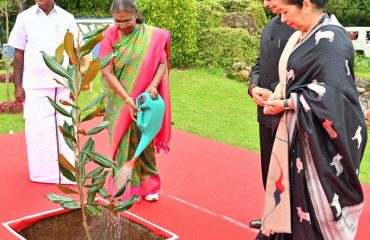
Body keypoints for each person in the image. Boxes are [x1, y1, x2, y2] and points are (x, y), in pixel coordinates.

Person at [257, 0, 367, 239]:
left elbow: (334, 94)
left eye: (285, 11)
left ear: (306, 4)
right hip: (298, 136)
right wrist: (277, 94)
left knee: (313, 211)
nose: (283, 20)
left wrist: (287, 103)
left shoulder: (333, 40)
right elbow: (296, 82)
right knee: (293, 202)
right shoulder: (304, 35)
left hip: (319, 144)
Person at [99, 0, 171, 202]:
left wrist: (154, 85)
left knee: (144, 139)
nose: (122, 26)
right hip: (119, 99)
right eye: (118, 21)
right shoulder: (108, 36)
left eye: (127, 21)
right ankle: (124, 187)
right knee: (122, 140)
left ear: (135, 14)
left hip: (145, 98)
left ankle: (149, 186)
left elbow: (162, 63)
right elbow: (107, 71)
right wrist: (127, 99)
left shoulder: (152, 36)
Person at [8, 0, 78, 183]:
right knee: (37, 129)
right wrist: (18, 85)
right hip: (34, 84)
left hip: (62, 84)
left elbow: (73, 54)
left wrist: (74, 82)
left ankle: (68, 173)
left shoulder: (67, 18)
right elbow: (18, 53)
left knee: (66, 127)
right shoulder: (24, 18)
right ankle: (42, 174)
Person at [248, 0, 295, 229]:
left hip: (286, 110)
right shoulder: (271, 25)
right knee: (268, 169)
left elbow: (300, 69)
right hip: (264, 110)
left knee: (287, 171)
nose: (266, 4)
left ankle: (292, 223)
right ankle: (271, 217)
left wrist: (276, 92)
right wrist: (253, 88)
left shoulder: (299, 25)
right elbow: (259, 63)